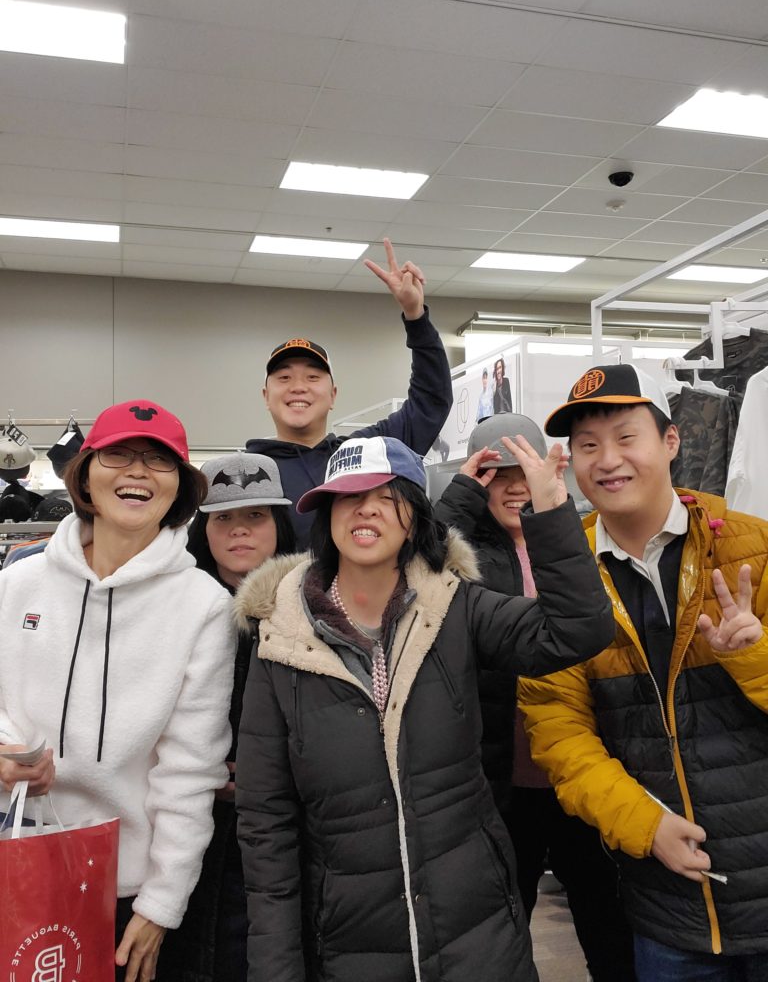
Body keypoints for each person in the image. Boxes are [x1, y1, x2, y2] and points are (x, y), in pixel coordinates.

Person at [234, 433, 616, 982]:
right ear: (327, 516)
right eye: (348, 496)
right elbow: (265, 822)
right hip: (350, 942)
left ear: (415, 517)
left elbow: (577, 631)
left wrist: (553, 512)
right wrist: (275, 969)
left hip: (478, 933)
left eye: (387, 496)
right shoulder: (282, 640)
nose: (366, 508)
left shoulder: (455, 607)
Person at [518, 363, 768, 981]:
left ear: (671, 441)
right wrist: (644, 824)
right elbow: (559, 734)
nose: (608, 460)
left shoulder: (751, 550)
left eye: (627, 437)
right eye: (588, 445)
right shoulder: (563, 584)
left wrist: (752, 657)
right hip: (666, 908)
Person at [0, 400, 235, 982]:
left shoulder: (204, 605)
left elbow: (190, 769)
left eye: (159, 460)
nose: (137, 471)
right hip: (13, 856)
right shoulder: (17, 583)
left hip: (121, 885)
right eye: (119, 455)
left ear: (179, 488)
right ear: (85, 476)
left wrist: (162, 902)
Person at [434, 412, 636, 982]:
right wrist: (458, 498)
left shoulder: (584, 539)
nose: (514, 487)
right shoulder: (459, 557)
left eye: (524, 472)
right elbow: (410, 570)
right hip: (500, 780)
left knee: (606, 921)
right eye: (496, 475)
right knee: (502, 930)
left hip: (586, 768)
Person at [245, 238, 452, 548]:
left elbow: (430, 403)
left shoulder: (364, 453)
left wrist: (415, 316)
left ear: (333, 395)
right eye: (284, 377)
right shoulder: (248, 472)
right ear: (265, 396)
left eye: (313, 377)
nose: (298, 386)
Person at [180, 452, 296, 982]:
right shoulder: (178, 604)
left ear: (279, 524)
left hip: (285, 820)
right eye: (223, 517)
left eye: (256, 515)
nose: (239, 530)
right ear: (202, 528)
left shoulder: (312, 605)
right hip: (186, 815)